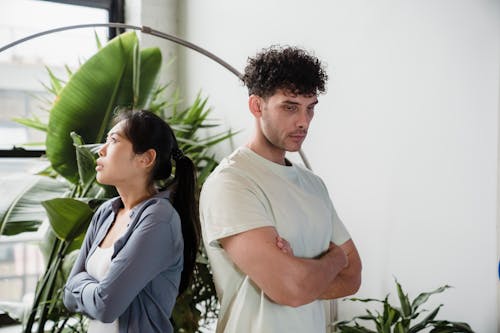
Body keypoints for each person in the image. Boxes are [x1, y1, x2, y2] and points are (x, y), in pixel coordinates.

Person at [199, 45, 362, 333]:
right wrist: (334, 258)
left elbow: (353, 277)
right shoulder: (232, 182)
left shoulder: (314, 185)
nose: (303, 121)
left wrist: (300, 274)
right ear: (256, 106)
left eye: (310, 108)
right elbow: (292, 289)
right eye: (289, 107)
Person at [63, 110, 200, 333]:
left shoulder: (159, 220)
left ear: (145, 159)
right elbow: (68, 294)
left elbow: (106, 306)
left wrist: (85, 287)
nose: (101, 149)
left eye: (114, 140)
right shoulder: (107, 211)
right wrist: (95, 292)